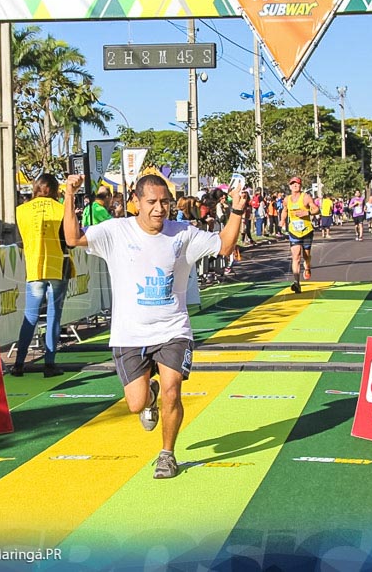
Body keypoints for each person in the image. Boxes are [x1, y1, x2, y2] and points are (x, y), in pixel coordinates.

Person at [62, 172, 247, 479]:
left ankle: (167, 454)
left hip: (173, 330)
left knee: (173, 393)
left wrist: (238, 211)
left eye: (165, 202)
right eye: (151, 202)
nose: (159, 208)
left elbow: (224, 246)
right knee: (135, 404)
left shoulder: (183, 233)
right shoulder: (115, 231)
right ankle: (149, 395)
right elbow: (72, 238)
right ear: (135, 202)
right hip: (129, 333)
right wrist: (70, 194)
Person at [11, 175, 72, 378]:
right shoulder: (61, 208)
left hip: (34, 266)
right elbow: (69, 240)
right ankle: (49, 363)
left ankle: (19, 363)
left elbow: (21, 239)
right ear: (55, 189)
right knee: (54, 316)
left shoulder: (22, 210)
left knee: (31, 316)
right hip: (57, 265)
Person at [280, 176, 317, 293]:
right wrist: (282, 220)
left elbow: (316, 209)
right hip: (294, 231)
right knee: (296, 256)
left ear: (300, 186)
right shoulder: (287, 199)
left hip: (306, 231)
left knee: (306, 255)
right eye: (293, 184)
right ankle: (297, 283)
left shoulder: (305, 197)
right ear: (290, 186)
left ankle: (307, 266)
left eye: (297, 184)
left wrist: (308, 212)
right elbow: (284, 210)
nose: (295, 185)